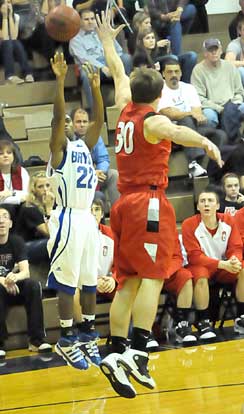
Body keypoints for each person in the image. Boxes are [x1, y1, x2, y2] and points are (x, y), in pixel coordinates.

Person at [95, 12, 222, 399]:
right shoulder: (152, 120)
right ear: (158, 96)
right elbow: (176, 130)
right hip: (147, 202)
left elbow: (117, 71)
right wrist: (205, 143)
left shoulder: (124, 107)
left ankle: (115, 351)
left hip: (122, 204)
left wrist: (105, 41)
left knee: (130, 279)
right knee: (153, 276)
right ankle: (137, 348)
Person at [46, 53, 104, 370]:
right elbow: (57, 118)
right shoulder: (59, 149)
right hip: (67, 216)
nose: (69, 124)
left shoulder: (84, 144)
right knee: (68, 283)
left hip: (87, 219)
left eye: (72, 122)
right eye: (66, 122)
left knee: (90, 281)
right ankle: (66, 338)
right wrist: (59, 80)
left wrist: (95, 87)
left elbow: (99, 123)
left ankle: (87, 334)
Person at [182, 189, 244, 340]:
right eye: (202, 201)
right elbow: (195, 257)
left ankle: (241, 316)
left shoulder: (228, 221)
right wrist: (223, 264)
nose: (206, 204)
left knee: (242, 268)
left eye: (210, 201)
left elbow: (236, 247)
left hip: (224, 265)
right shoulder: (188, 224)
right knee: (201, 275)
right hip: (201, 266)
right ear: (198, 207)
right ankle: (204, 321)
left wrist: (235, 260)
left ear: (217, 205)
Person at [158, 57, 228, 178]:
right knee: (185, 119)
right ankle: (193, 163)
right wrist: (188, 113)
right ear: (163, 74)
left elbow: (197, 112)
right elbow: (168, 112)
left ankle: (213, 171)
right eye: (169, 72)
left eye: (176, 71)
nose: (173, 75)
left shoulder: (188, 88)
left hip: (192, 129)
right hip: (171, 133)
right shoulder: (160, 90)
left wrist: (189, 114)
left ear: (181, 73)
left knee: (220, 135)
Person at [0, 206, 52, 358]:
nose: (1, 221)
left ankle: (36, 340)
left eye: (4, 217)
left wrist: (14, 278)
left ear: (10, 223)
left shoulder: (16, 241)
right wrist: (4, 280)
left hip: (14, 285)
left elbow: (25, 271)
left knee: (33, 285)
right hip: (2, 287)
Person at [69, 8, 132, 111]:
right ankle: (96, 112)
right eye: (86, 19)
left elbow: (118, 50)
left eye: (92, 18)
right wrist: (102, 67)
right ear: (80, 21)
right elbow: (84, 59)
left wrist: (114, 64)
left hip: (110, 62)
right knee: (86, 76)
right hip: (93, 68)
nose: (90, 21)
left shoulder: (103, 32)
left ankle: (129, 98)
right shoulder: (75, 39)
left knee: (126, 58)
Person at [73, 198, 116, 333]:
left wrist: (114, 279)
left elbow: (122, 262)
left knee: (130, 286)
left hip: (106, 281)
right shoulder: (74, 235)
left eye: (96, 210)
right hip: (84, 282)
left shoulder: (111, 234)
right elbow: (72, 267)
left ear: (102, 214)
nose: (93, 214)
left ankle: (125, 333)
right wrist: (92, 281)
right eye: (89, 210)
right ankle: (85, 331)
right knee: (72, 291)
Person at [191, 38, 244, 143]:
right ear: (205, 53)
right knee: (209, 117)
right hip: (211, 106)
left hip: (232, 103)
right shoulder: (198, 70)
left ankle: (237, 139)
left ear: (221, 51)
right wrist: (218, 108)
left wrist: (234, 103)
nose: (214, 52)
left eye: (216, 49)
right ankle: (222, 141)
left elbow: (239, 91)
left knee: (236, 109)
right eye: (210, 50)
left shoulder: (230, 66)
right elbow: (199, 98)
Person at [70, 107, 120, 209]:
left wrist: (99, 171)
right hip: (74, 180)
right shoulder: (67, 140)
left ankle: (117, 212)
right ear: (72, 123)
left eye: (85, 122)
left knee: (113, 175)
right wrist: (91, 174)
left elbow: (103, 159)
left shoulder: (96, 137)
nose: (82, 125)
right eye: (78, 122)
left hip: (94, 177)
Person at [15, 171, 54, 264]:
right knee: (53, 242)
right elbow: (50, 233)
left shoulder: (51, 203)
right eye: (40, 186)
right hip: (24, 248)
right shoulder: (29, 208)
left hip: (38, 242)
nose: (45, 189)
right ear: (34, 190)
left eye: (48, 185)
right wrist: (49, 209)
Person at [0, 0, 34, 84]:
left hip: (9, 49)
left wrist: (10, 16)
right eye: (4, 3)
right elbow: (3, 37)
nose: (7, 5)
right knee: (7, 42)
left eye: (9, 2)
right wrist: (4, 17)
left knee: (16, 42)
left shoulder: (15, 16)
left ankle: (28, 73)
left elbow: (14, 36)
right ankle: (10, 76)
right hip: (2, 49)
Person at [0, 140, 29, 209]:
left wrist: (11, 193)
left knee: (30, 209)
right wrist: (18, 198)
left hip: (20, 208)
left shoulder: (22, 171)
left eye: (9, 153)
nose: (5, 155)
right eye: (1, 153)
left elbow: (27, 195)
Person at [225, 17, 244, 87]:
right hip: (239, 79)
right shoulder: (235, 44)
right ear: (239, 31)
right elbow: (228, 63)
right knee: (241, 71)